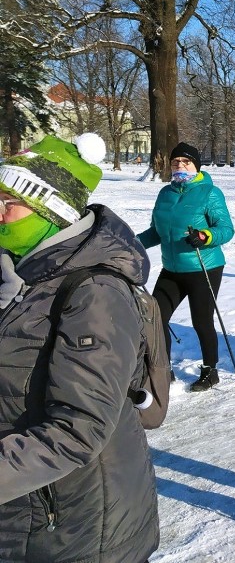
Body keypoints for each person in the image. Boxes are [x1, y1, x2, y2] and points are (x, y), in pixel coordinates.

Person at [0, 134, 159, 563]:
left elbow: (77, 430)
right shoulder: (21, 272)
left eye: (7, 203)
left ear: (50, 209)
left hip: (77, 521)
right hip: (24, 505)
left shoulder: (95, 294)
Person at [137, 142, 234, 391]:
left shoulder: (210, 192)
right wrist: (132, 243)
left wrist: (205, 236)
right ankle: (162, 370)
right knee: (156, 317)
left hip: (204, 267)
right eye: (175, 162)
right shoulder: (165, 194)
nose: (180, 166)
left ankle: (210, 371)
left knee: (201, 321)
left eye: (186, 162)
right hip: (172, 268)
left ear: (196, 166)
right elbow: (157, 232)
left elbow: (225, 229)